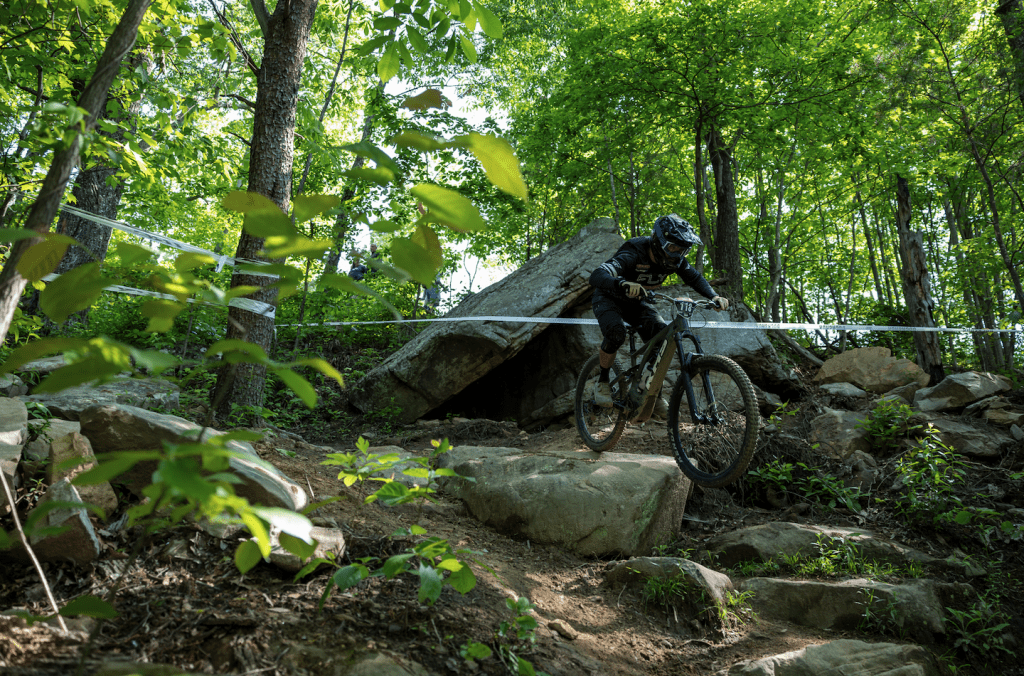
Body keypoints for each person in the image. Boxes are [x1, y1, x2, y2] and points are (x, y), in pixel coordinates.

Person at [588, 214, 730, 417]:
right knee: (616, 333)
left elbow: (694, 278)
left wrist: (714, 296)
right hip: (609, 298)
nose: (677, 254)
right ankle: (602, 381)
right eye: (673, 248)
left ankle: (652, 395)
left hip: (637, 303)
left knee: (663, 340)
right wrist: (621, 283)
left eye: (682, 250)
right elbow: (597, 275)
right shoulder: (634, 251)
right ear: (658, 241)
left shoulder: (677, 261)